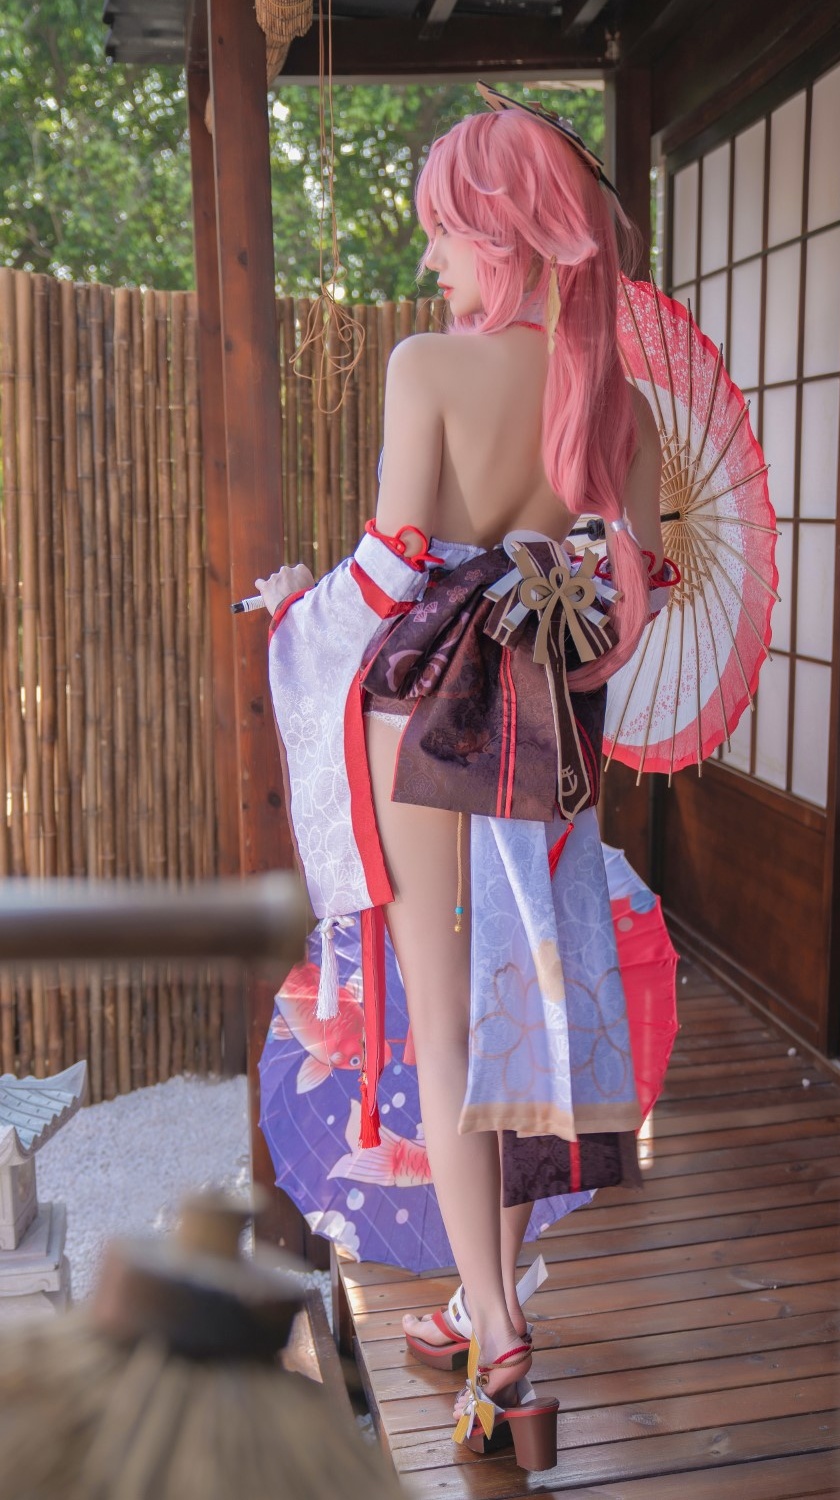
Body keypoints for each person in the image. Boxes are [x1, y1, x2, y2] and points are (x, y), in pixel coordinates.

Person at [256, 88, 666, 1471]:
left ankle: (496, 1328)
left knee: (442, 1022)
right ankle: (481, 1305)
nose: (430, 257)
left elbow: (389, 569)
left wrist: (298, 613)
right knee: (517, 1018)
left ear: (499, 233)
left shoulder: (427, 367)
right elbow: (634, 599)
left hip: (422, 721)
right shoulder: (618, 403)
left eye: (443, 230)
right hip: (548, 724)